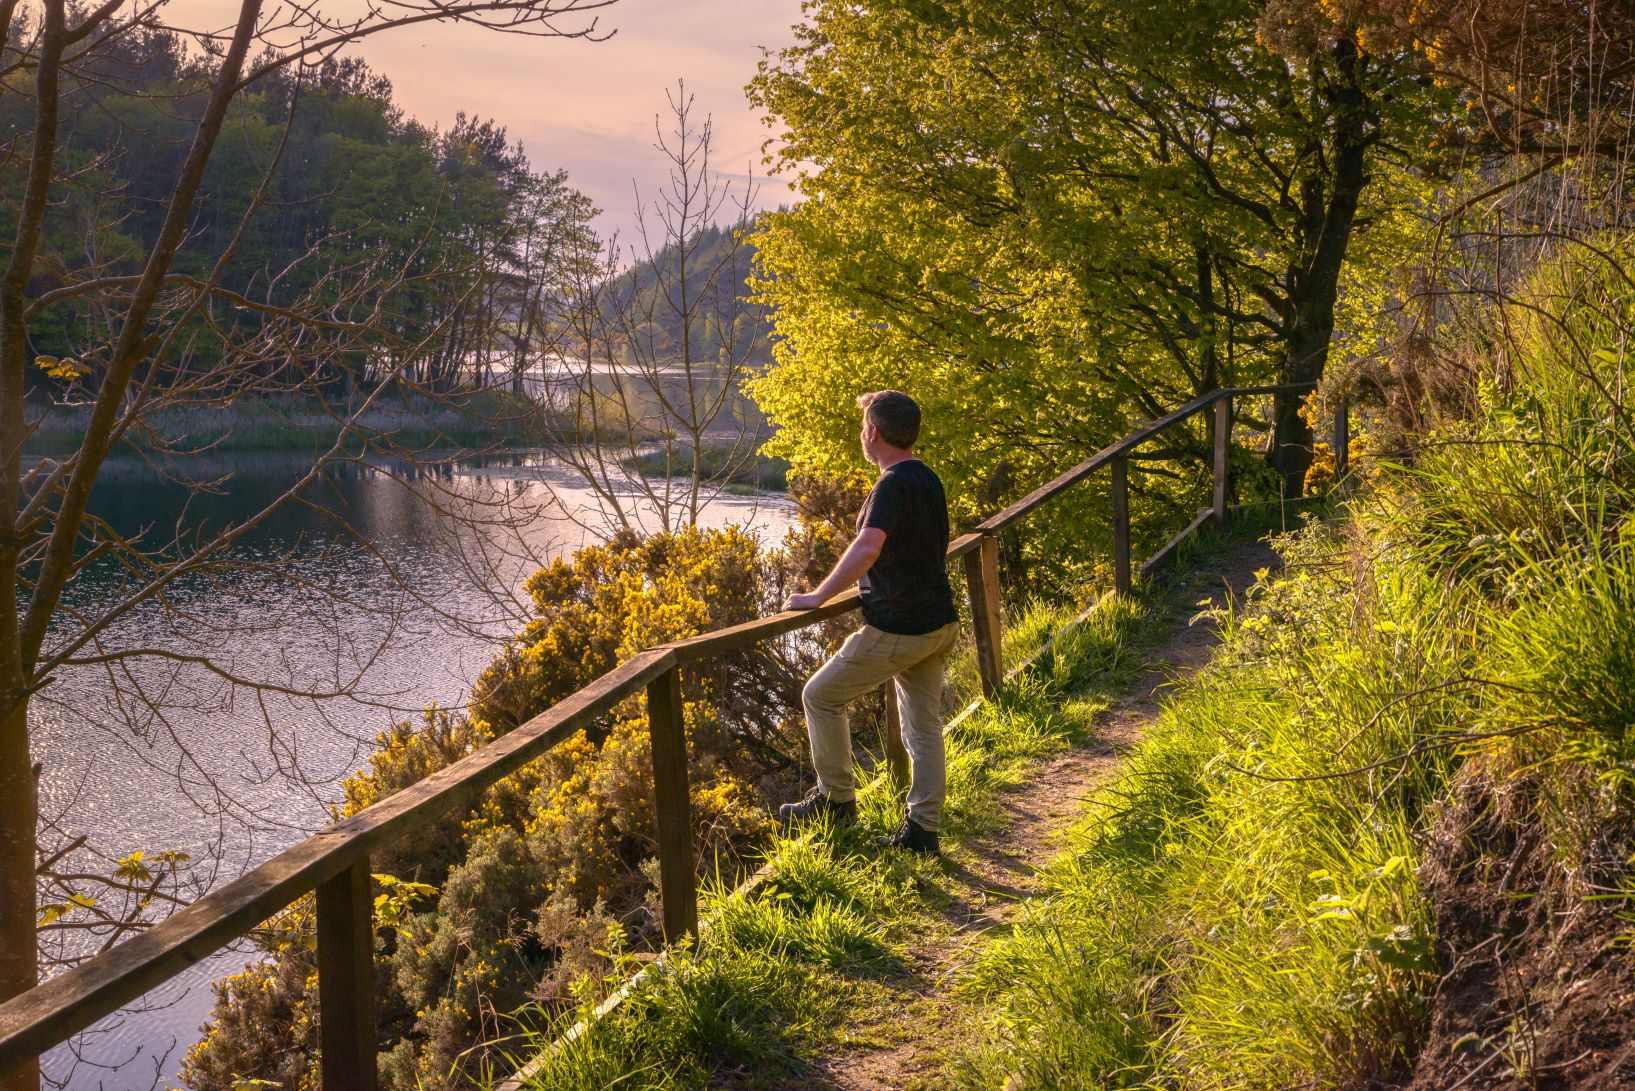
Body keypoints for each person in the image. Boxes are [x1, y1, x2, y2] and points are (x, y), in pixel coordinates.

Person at [779, 390, 961, 855]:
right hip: (938, 622)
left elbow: (868, 547)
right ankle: (923, 831)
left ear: (873, 432)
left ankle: (837, 801)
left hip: (901, 628)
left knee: (819, 696)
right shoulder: (927, 479)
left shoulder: (893, 484)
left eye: (864, 426)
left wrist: (819, 596)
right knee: (922, 728)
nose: (862, 432)